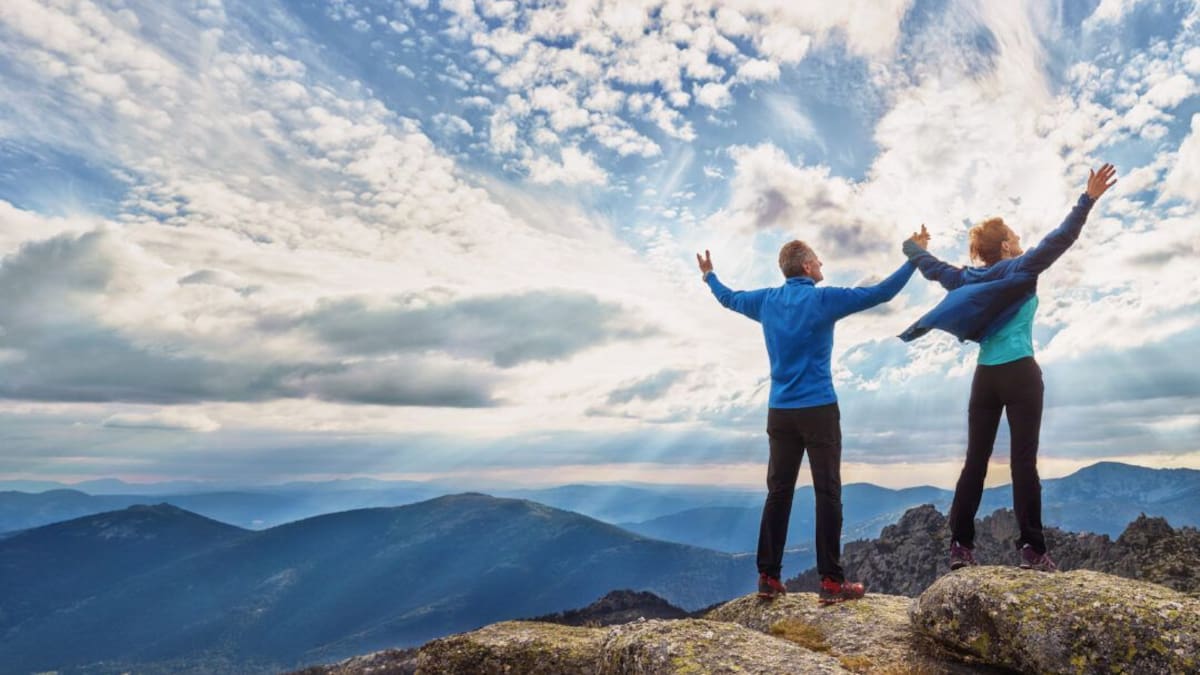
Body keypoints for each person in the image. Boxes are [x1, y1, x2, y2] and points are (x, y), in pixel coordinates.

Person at [899, 163, 1118, 573]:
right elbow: (1060, 239)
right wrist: (1086, 200)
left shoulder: (966, 279)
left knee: (975, 462)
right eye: (1015, 238)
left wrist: (913, 247)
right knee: (1023, 462)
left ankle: (960, 547)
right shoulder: (1020, 269)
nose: (1021, 242)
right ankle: (1032, 550)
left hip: (985, 378)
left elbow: (933, 268)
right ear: (1004, 247)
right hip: (1019, 373)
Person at [697, 242, 916, 603]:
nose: (821, 262)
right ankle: (831, 582)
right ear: (805, 267)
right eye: (817, 259)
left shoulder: (766, 300)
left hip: (779, 412)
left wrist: (709, 277)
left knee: (778, 493)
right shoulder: (823, 298)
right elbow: (881, 293)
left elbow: (729, 298)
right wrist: (915, 260)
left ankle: (768, 576)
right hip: (818, 410)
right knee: (827, 493)